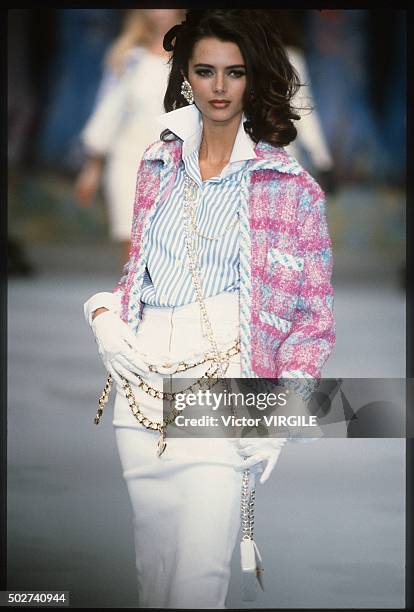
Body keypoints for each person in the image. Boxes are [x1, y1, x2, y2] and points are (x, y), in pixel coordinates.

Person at [83, 9, 336, 609]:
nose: (219, 88)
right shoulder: (155, 166)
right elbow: (135, 282)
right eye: (205, 71)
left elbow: (311, 319)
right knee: (157, 579)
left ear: (257, 78)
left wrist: (280, 416)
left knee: (197, 583)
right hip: (141, 399)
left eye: (235, 72)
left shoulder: (292, 191)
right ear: (186, 76)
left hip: (226, 393)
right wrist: (103, 316)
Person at [74, 9, 185, 265]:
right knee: (131, 238)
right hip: (128, 158)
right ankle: (133, 300)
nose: (159, 13)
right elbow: (108, 109)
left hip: (176, 160)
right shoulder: (129, 57)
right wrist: (92, 167)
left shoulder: (196, 57)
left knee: (170, 239)